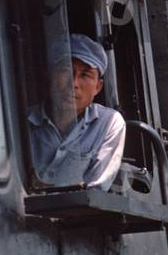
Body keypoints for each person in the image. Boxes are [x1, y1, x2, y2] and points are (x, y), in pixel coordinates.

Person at [27, 33, 126, 190]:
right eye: (65, 71)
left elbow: (94, 191)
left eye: (85, 75)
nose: (73, 83)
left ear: (98, 87)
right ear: (50, 76)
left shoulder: (109, 123)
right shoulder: (23, 120)